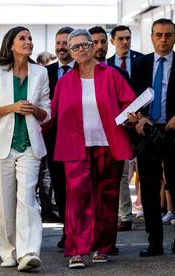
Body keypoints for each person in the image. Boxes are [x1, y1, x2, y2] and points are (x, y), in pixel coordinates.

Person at [51, 29, 136, 268]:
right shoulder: (65, 81)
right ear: (69, 51)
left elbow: (128, 101)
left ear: (92, 46)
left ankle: (102, 247)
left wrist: (131, 114)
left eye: (84, 45)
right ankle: (77, 250)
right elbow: (52, 112)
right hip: (75, 146)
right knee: (77, 198)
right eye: (75, 47)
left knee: (106, 198)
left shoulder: (111, 74)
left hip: (107, 145)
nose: (80, 50)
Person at [0, 26, 50, 271]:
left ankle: (29, 252)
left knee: (27, 199)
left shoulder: (41, 73)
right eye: (23, 38)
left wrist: (35, 110)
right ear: (11, 44)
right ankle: (9, 252)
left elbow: (46, 112)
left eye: (30, 38)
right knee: (5, 203)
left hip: (30, 146)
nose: (28, 41)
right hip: (2, 147)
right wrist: (12, 107)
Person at [131, 18, 175, 256]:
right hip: (149, 132)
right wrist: (139, 118)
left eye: (168, 35)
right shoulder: (140, 64)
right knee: (150, 192)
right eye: (159, 35)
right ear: (152, 37)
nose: (163, 39)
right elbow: (133, 97)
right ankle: (154, 243)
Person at [88, 25, 134, 236]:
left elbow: (129, 104)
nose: (99, 46)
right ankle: (88, 235)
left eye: (103, 42)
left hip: (113, 141)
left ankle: (107, 239)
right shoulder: (76, 75)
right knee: (87, 192)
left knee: (111, 191)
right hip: (85, 142)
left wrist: (130, 117)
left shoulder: (118, 73)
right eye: (94, 42)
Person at [108, 25, 144, 231]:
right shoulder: (108, 65)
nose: (125, 42)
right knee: (122, 172)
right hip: (118, 125)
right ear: (113, 41)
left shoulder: (141, 61)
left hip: (140, 122)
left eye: (128, 38)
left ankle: (147, 207)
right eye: (120, 38)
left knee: (143, 170)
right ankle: (125, 215)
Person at [43, 26, 75, 248]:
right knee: (61, 188)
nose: (61, 47)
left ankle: (82, 230)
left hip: (80, 139)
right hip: (53, 141)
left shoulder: (83, 71)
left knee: (80, 188)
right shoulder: (45, 73)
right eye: (59, 43)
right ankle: (67, 231)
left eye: (66, 43)